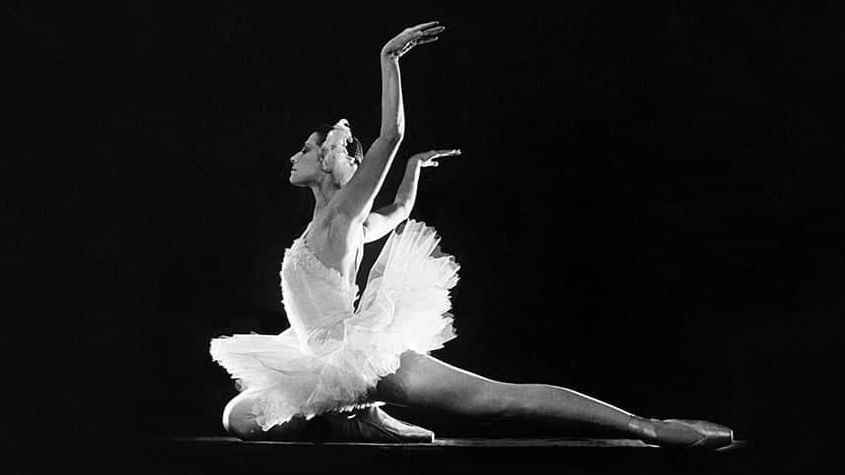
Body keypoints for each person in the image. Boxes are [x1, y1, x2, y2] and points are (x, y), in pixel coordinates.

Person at [210, 22, 734, 448]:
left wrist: (389, 62)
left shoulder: (343, 216)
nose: (294, 156)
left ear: (328, 160)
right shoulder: (343, 224)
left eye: (305, 149)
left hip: (361, 357)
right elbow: (399, 210)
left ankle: (646, 426)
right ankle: (358, 416)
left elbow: (391, 135)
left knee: (498, 399)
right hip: (315, 359)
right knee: (239, 418)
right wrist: (414, 171)